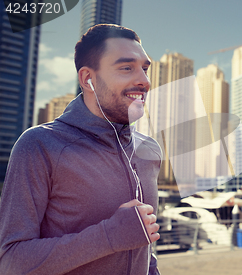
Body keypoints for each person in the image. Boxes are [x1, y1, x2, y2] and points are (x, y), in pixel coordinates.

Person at [0, 24, 162, 274]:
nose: (144, 81)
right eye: (126, 68)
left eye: (145, 68)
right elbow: (10, 262)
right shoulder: (39, 145)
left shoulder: (149, 150)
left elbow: (143, 249)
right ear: (88, 79)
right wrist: (109, 236)